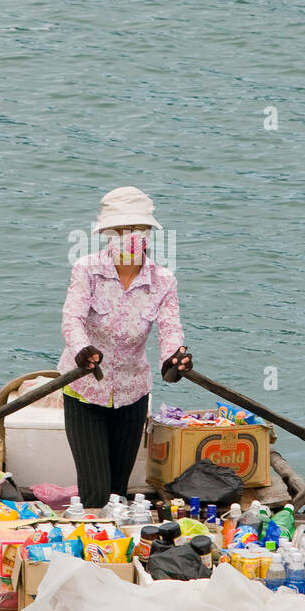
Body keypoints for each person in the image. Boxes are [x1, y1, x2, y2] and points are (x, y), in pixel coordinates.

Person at [58, 186, 192, 508]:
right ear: (106, 235)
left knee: (118, 493)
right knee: (95, 493)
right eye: (118, 231)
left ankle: (111, 550)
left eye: (134, 230)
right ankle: (92, 544)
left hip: (133, 393)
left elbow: (170, 329)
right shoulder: (86, 270)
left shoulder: (163, 280)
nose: (126, 237)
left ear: (147, 235)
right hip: (85, 390)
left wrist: (175, 359)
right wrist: (82, 348)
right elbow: (71, 319)